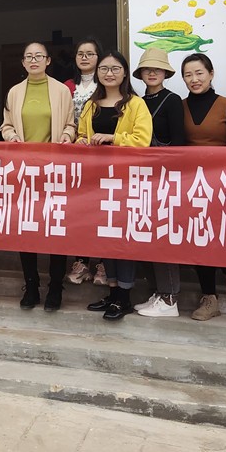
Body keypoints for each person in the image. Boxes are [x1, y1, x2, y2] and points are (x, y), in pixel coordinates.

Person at [77, 50, 152, 321]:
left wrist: (112, 138)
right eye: (104, 69)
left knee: (123, 239)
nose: (109, 73)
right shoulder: (91, 105)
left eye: (115, 69)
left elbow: (142, 140)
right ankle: (111, 292)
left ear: (124, 73)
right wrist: (82, 141)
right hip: (97, 181)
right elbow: (81, 135)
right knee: (105, 236)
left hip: (125, 181)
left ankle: (124, 297)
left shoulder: (136, 104)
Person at [1, 42, 76, 311]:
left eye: (39, 56)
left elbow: (71, 123)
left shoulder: (61, 90)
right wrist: (12, 136)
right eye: (29, 57)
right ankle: (31, 285)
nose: (34, 60)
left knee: (55, 227)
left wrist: (66, 135)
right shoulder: (14, 92)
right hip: (24, 170)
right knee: (26, 228)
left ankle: (55, 286)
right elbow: (6, 125)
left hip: (54, 169)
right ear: (23, 62)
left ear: (48, 60)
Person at [180, 53, 226, 320]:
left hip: (223, 183)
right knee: (199, 237)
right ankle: (209, 298)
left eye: (199, 73)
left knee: (223, 234)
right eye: (188, 75)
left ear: (211, 74)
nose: (194, 79)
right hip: (192, 185)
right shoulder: (179, 107)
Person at [132, 48, 187, 318]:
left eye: (157, 68)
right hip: (142, 178)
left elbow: (179, 143)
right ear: (141, 74)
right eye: (147, 68)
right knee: (147, 236)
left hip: (166, 179)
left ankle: (170, 298)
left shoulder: (173, 100)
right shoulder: (137, 102)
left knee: (164, 236)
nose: (152, 72)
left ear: (165, 73)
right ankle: (157, 293)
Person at [64, 38, 106, 288]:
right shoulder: (67, 86)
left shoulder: (108, 83)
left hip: (103, 156)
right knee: (79, 210)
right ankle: (81, 262)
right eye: (80, 53)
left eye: (90, 53)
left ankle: (103, 263)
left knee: (103, 210)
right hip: (74, 157)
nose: (85, 57)